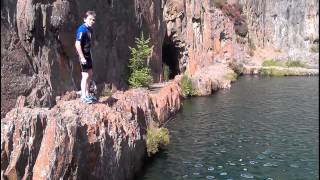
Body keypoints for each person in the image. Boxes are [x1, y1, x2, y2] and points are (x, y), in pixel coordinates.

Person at [75, 10, 97, 104]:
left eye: (93, 20)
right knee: (85, 75)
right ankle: (83, 97)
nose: (92, 21)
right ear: (85, 19)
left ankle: (87, 94)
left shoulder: (90, 29)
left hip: (88, 55)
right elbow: (77, 44)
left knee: (90, 74)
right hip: (83, 56)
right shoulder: (82, 30)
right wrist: (82, 57)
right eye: (90, 19)